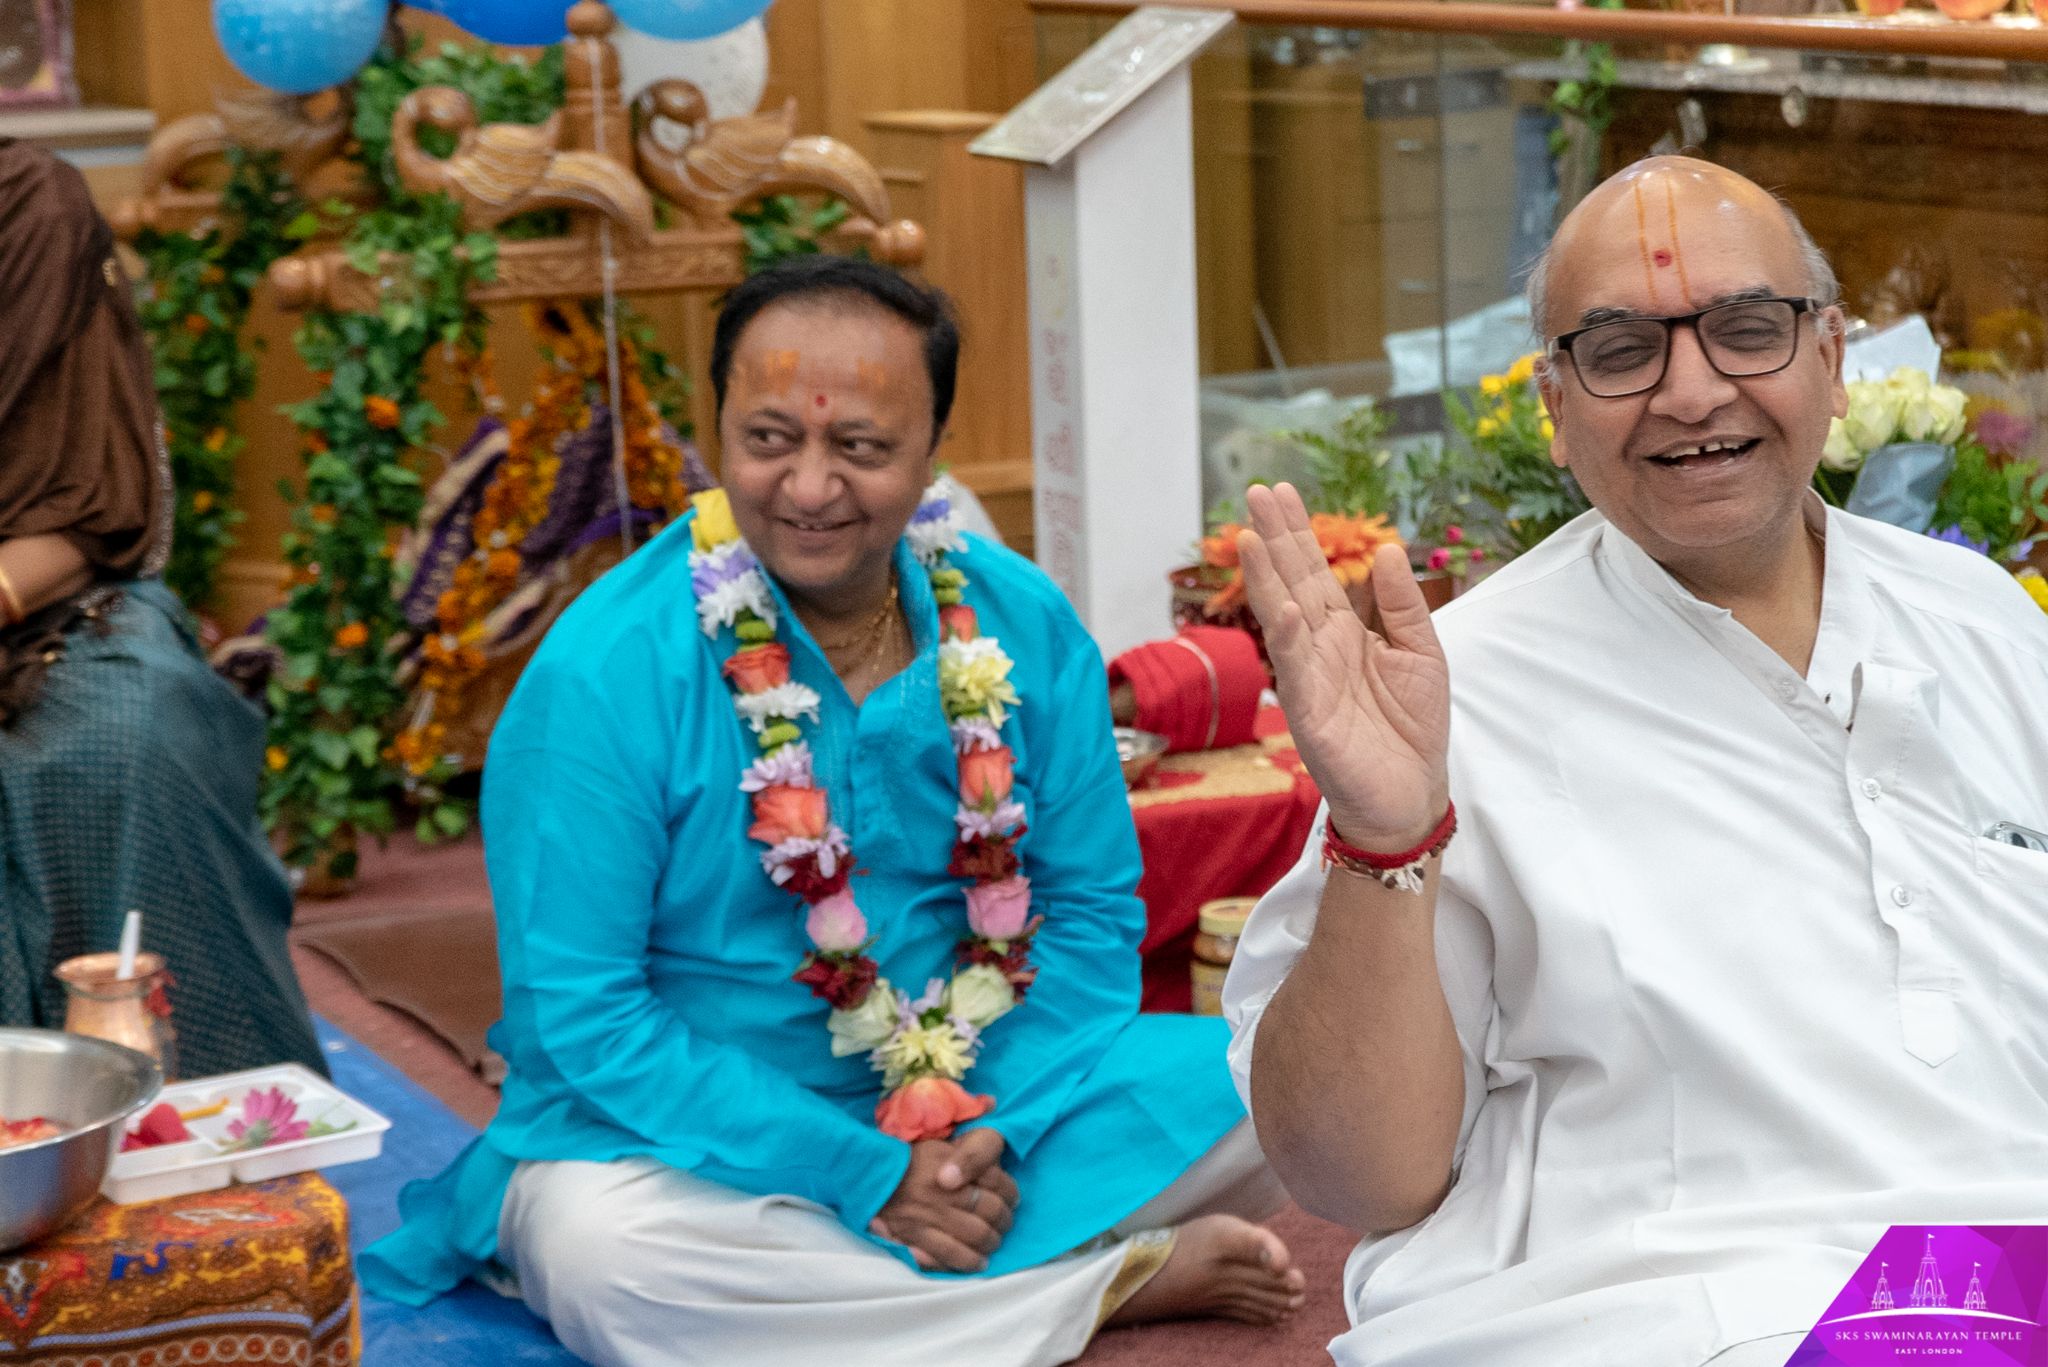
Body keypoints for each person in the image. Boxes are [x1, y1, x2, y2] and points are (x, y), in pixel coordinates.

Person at [360, 255, 1305, 1366]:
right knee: (606, 1257)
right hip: (683, 1145)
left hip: (987, 1100)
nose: (808, 488)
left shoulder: (1020, 622)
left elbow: (1092, 914)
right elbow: (588, 1015)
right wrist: (860, 1169)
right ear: (718, 431)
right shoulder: (604, 670)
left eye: (858, 447)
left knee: (1282, 1085)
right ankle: (1090, 1286)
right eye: (769, 440)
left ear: (932, 452)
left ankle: (906, 1288)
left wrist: (991, 1130)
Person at [1224, 156, 2048, 1367]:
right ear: (1553, 408)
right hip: (1669, 1300)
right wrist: (1383, 833)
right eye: (1621, 353)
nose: (1690, 389)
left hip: (1997, 1273)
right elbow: (1357, 1177)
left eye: (1744, 331)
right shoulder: (1457, 688)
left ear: (1830, 358)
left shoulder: (1977, 616)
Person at [0, 138, 323, 1078]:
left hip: (53, 596)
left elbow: (91, 500)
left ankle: (188, 1122)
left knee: (138, 735)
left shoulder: (28, 205)